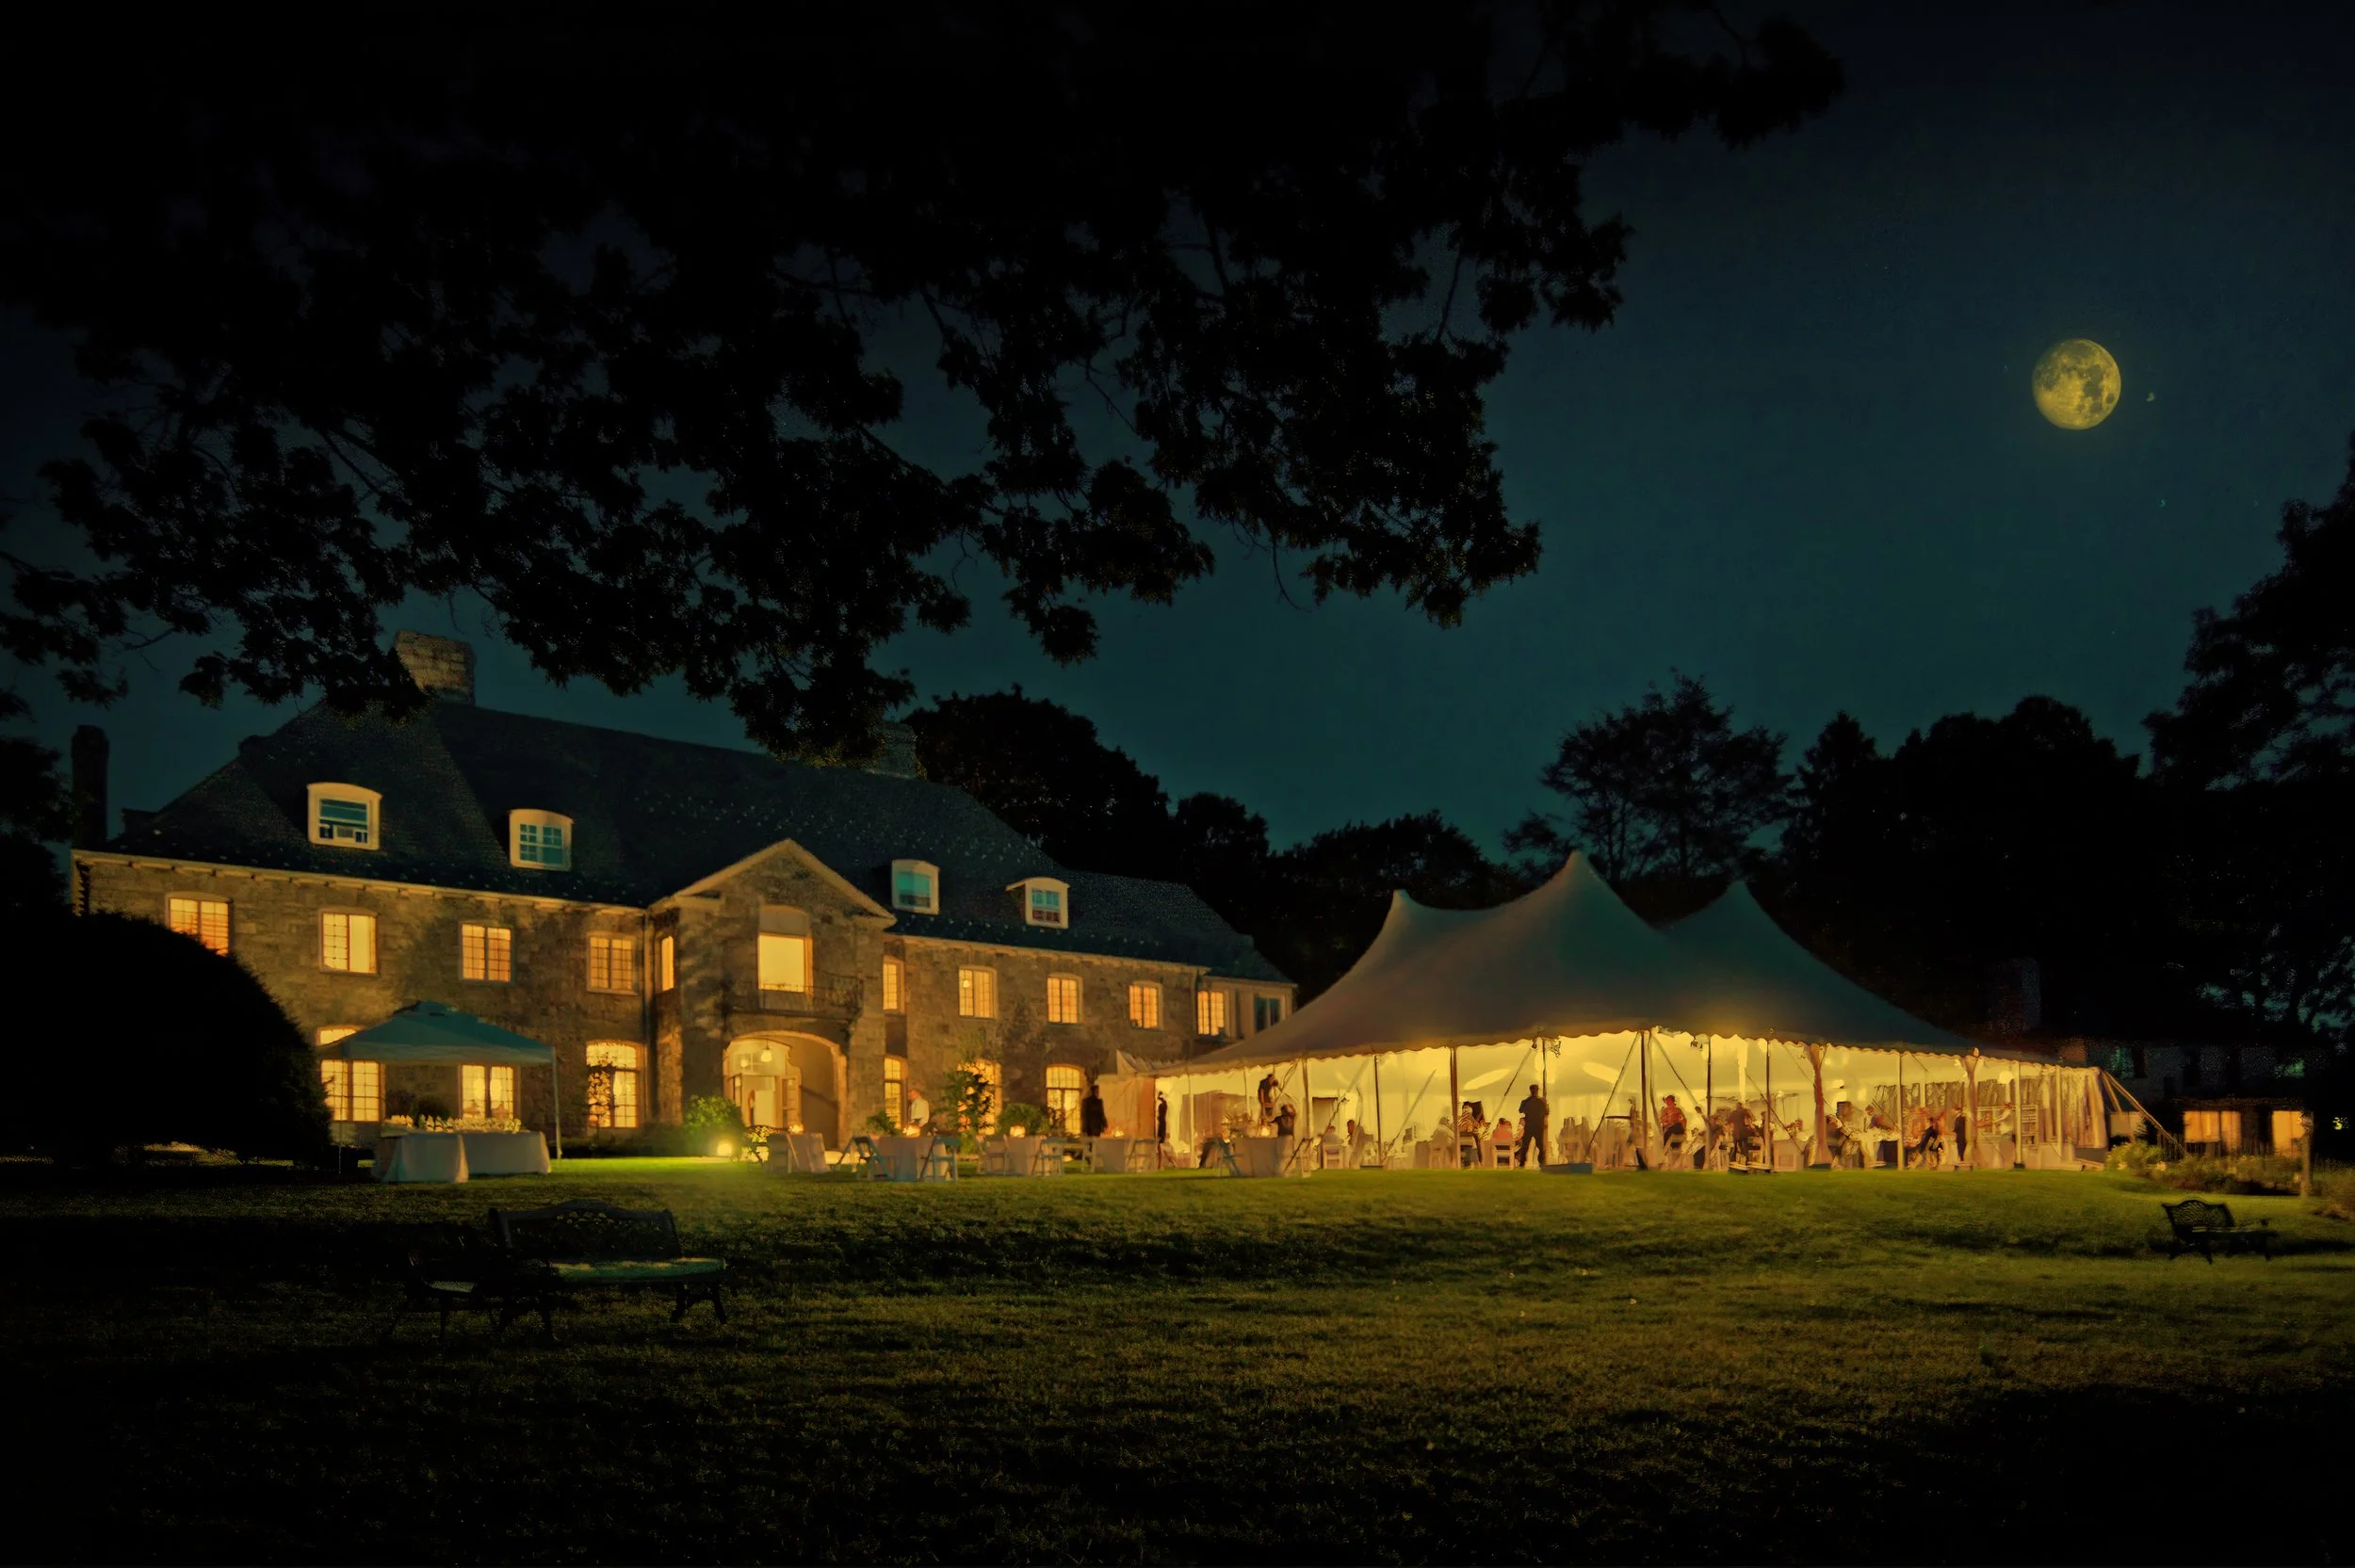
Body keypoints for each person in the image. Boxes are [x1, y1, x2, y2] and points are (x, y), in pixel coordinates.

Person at [1516, 1084, 1550, 1169]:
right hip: (1535, 1126)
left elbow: (1521, 1110)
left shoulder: (1529, 1101)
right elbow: (1546, 1112)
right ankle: (1540, 1162)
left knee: (1530, 1145)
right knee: (1535, 1145)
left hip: (1533, 1126)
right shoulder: (1539, 1101)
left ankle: (1525, 1162)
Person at [1659, 1094, 1688, 1159]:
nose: (1668, 1102)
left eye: (1669, 1100)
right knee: (1665, 1133)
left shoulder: (1678, 1110)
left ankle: (1666, 1150)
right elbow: (1662, 1121)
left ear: (1673, 1101)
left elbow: (1683, 1120)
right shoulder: (1664, 1111)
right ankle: (1665, 1150)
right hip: (1668, 1128)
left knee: (1677, 1126)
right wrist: (1665, 1123)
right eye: (1667, 1101)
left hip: (1677, 1128)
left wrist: (1683, 1127)